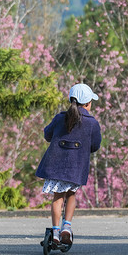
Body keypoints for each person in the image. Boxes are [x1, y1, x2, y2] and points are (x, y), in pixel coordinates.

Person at [36, 83, 101, 245]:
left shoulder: (60, 118)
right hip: (76, 166)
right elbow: (95, 145)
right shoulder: (92, 123)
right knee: (71, 194)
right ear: (87, 103)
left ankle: (56, 232)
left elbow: (47, 134)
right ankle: (67, 226)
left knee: (58, 197)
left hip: (56, 164)